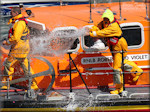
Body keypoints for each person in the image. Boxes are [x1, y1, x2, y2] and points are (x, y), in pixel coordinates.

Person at [86, 9, 143, 94]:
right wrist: (93, 29)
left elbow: (102, 33)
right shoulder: (105, 23)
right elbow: (98, 26)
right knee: (121, 63)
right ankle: (136, 70)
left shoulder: (114, 27)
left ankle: (119, 89)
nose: (105, 20)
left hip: (119, 47)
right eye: (104, 18)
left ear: (110, 18)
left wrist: (92, 33)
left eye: (107, 18)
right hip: (114, 47)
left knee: (116, 68)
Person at [1, 7, 38, 90]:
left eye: (11, 12)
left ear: (15, 13)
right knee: (26, 67)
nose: (10, 14)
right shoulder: (20, 21)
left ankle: (5, 84)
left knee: (8, 65)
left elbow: (15, 38)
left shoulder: (19, 23)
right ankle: (34, 85)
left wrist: (6, 42)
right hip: (24, 48)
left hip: (18, 49)